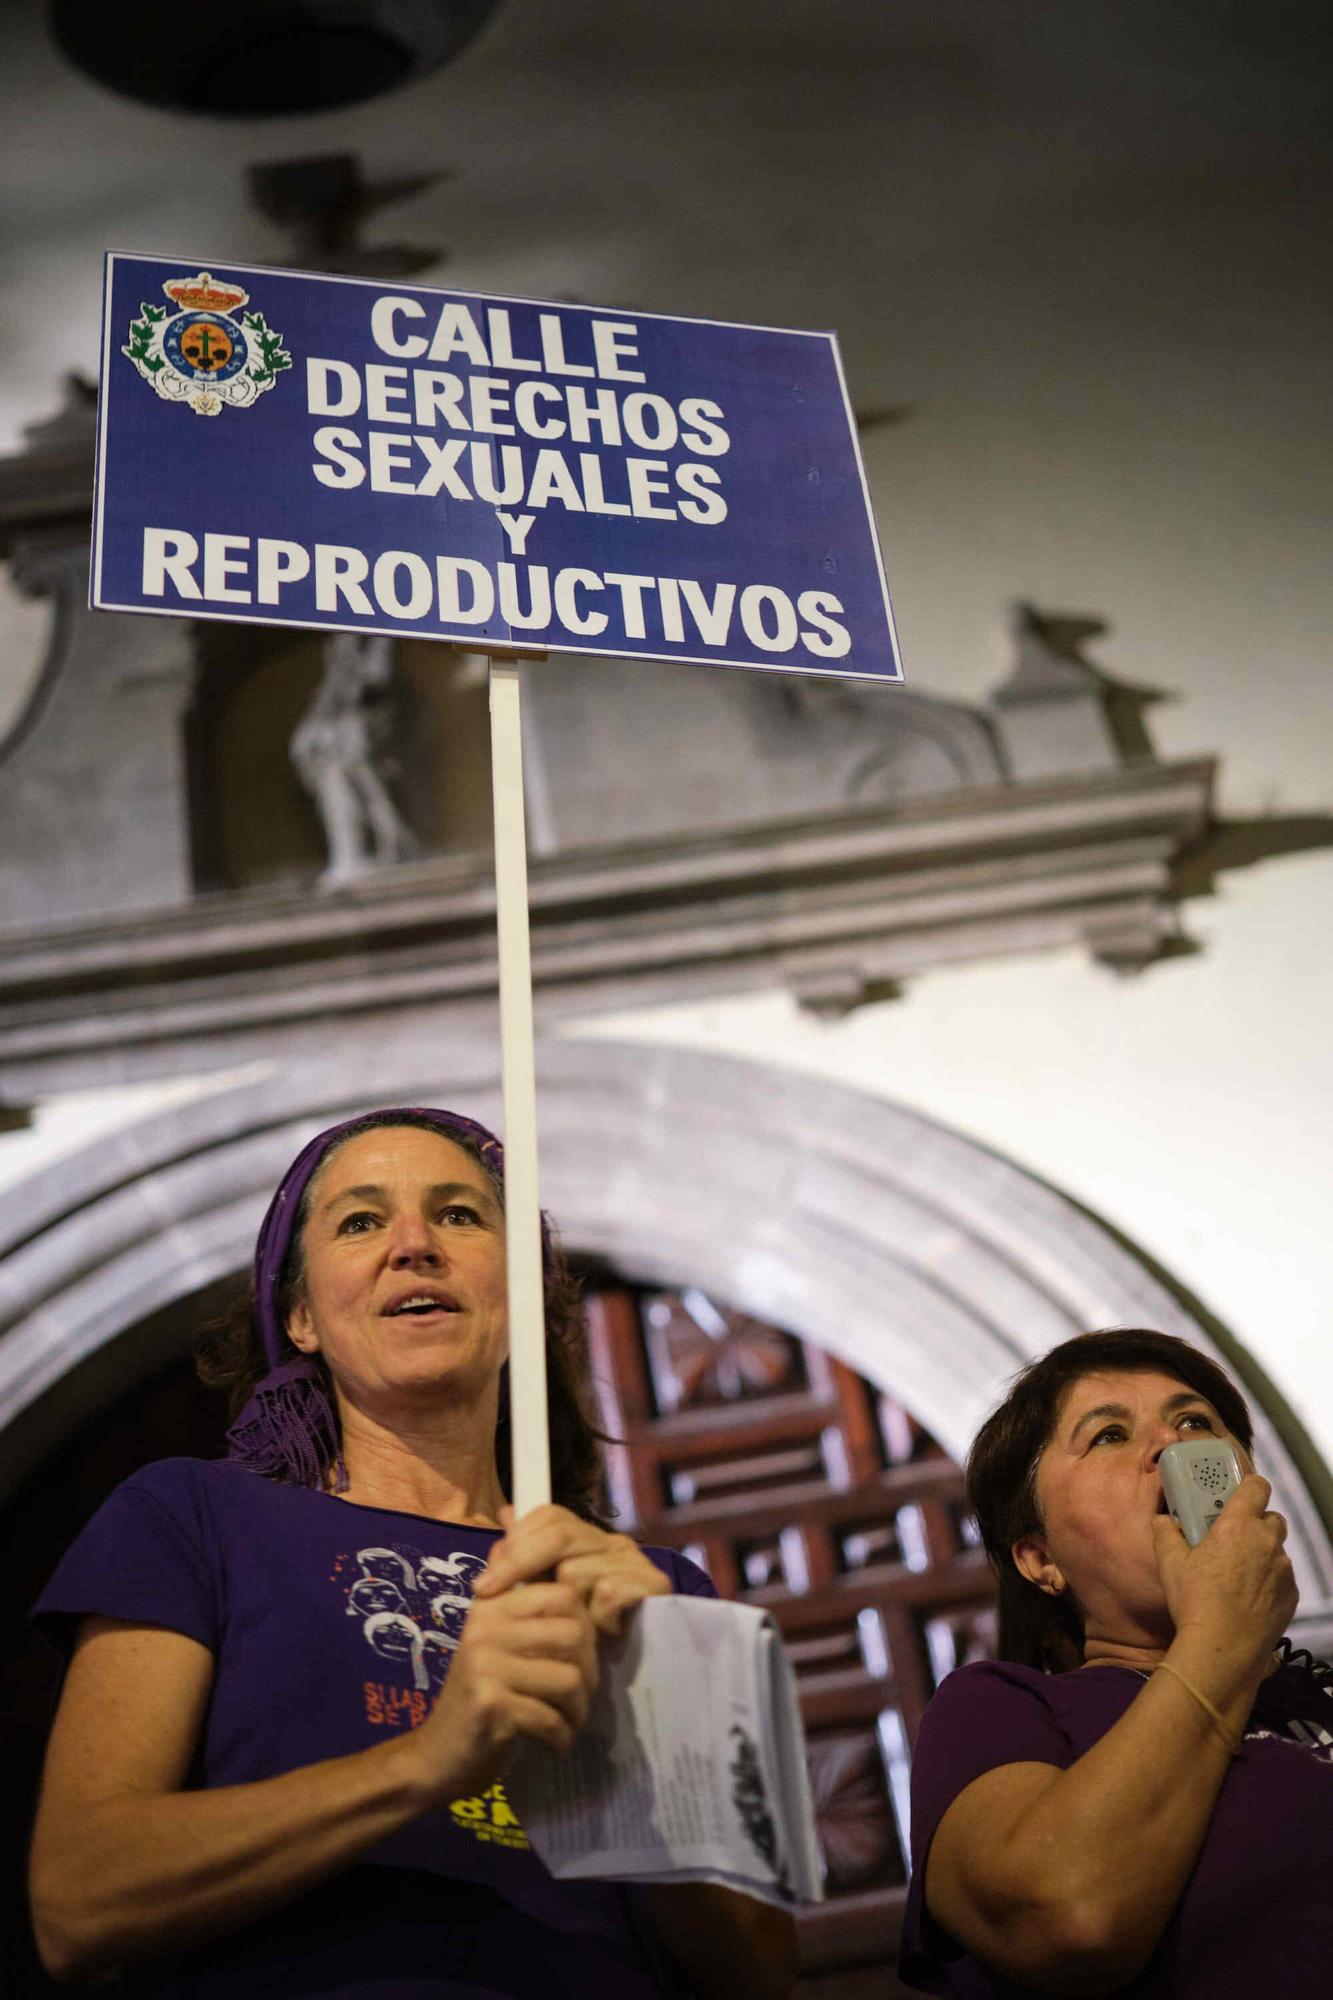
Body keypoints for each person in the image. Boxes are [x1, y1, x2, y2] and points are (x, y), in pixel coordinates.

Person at [28, 1107, 798, 1998]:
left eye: (461, 1215)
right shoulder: (189, 1517)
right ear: (303, 1315)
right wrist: (428, 1762)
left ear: (516, 1297)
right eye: (360, 1221)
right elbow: (78, 1904)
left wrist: (655, 1700)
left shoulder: (656, 1590)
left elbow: (758, 1973)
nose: (414, 1244)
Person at [898, 1327, 1333, 1998]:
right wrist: (1220, 1637)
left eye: (1194, 1421)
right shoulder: (1000, 1710)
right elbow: (1064, 1920)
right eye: (1108, 1435)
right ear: (1039, 1559)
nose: (1170, 1445)